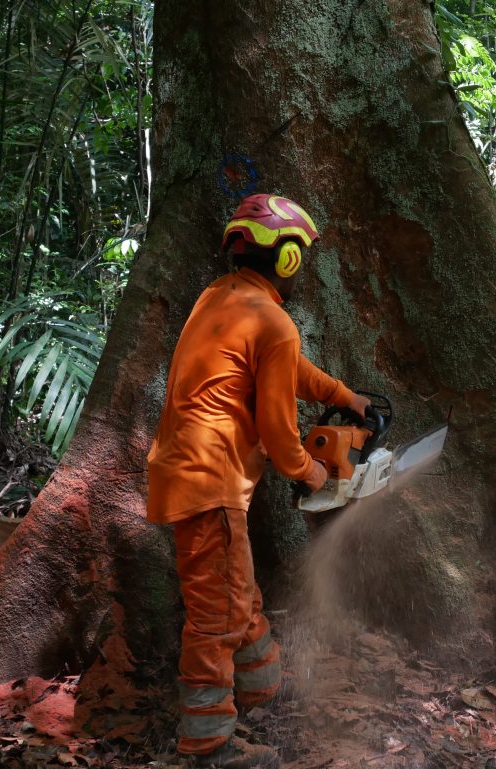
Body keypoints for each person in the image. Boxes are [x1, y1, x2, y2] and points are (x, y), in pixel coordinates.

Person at [146, 194, 370, 769]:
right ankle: (208, 744)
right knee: (218, 613)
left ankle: (264, 691)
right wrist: (311, 470)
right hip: (210, 480)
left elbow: (288, 368)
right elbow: (277, 430)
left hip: (189, 471)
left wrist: (343, 397)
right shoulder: (273, 320)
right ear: (288, 257)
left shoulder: (220, 299)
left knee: (236, 593)